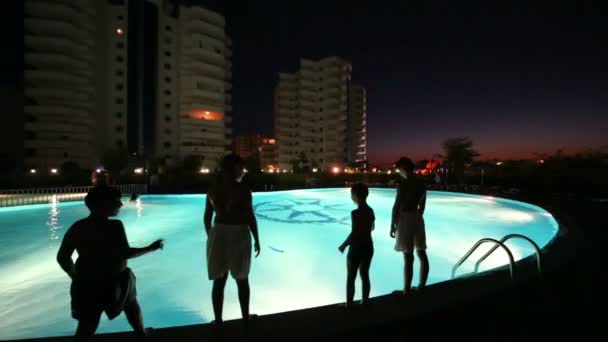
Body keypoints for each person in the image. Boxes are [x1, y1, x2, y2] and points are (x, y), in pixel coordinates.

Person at [56, 186, 164, 341]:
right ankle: (141, 333)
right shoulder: (114, 226)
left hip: (88, 281)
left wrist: (75, 276)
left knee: (88, 321)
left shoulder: (78, 227)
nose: (120, 204)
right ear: (103, 204)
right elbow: (124, 253)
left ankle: (140, 332)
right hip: (115, 280)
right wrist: (150, 248)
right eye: (116, 201)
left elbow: (63, 257)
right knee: (131, 304)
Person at [204, 154, 261, 326]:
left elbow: (207, 218)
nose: (244, 170)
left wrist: (212, 237)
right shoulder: (243, 189)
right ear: (234, 168)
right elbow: (250, 217)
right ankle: (245, 318)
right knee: (242, 280)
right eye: (241, 167)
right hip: (239, 233)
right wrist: (257, 238)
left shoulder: (213, 189)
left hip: (218, 233)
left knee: (219, 281)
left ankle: (219, 321)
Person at [390, 157, 429, 295]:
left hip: (405, 218)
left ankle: (406, 290)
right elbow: (423, 201)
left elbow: (397, 205)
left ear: (403, 168)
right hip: (417, 216)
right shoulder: (420, 182)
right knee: (421, 252)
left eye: (399, 169)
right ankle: (422, 286)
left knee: (408, 256)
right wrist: (419, 214)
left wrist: (392, 224)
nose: (398, 172)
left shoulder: (403, 183)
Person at [339, 183, 375, 308]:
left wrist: (343, 245)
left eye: (351, 194)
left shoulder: (355, 213)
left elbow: (354, 233)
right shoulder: (371, 211)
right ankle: (365, 301)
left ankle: (349, 304)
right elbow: (371, 228)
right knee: (365, 274)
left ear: (355, 196)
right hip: (368, 246)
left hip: (356, 248)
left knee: (351, 277)